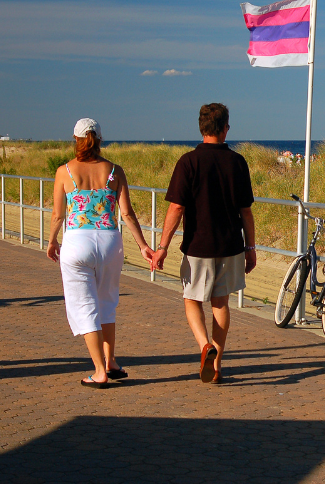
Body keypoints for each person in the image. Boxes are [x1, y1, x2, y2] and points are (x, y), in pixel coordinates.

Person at [152, 104, 256, 384]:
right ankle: (217, 364)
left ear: (201, 128)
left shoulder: (188, 162)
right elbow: (246, 211)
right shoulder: (238, 162)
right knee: (220, 304)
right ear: (225, 129)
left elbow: (176, 208)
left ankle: (204, 346)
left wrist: (162, 247)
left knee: (192, 300)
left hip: (198, 246)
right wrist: (251, 248)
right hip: (232, 245)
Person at [47, 118, 153, 389]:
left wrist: (51, 241)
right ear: (99, 138)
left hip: (77, 241)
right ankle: (111, 361)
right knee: (107, 302)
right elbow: (127, 214)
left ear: (76, 139)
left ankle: (99, 371)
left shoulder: (65, 172)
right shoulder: (115, 170)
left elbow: (59, 214)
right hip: (109, 241)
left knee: (84, 306)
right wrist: (143, 246)